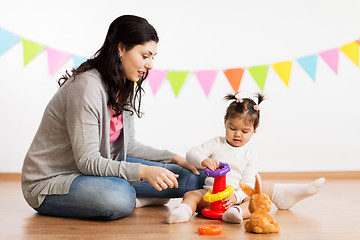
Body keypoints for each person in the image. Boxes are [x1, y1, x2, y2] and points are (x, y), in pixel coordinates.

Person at [21, 15, 205, 220]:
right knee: (120, 196)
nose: (151, 65)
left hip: (97, 171)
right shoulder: (87, 87)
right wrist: (143, 171)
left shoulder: (123, 83)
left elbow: (130, 146)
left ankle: (139, 195)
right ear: (121, 49)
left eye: (153, 57)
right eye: (145, 56)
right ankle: (136, 196)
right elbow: (87, 161)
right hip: (53, 181)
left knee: (192, 178)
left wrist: (175, 158)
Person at [167, 92, 325, 224]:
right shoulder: (217, 143)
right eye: (232, 128)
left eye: (244, 131)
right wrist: (203, 160)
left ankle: (235, 213)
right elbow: (191, 153)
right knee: (191, 195)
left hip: (234, 199)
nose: (237, 134)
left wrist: (237, 197)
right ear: (225, 122)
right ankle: (182, 212)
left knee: (255, 202)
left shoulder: (250, 155)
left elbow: (249, 183)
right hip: (209, 196)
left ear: (254, 129)